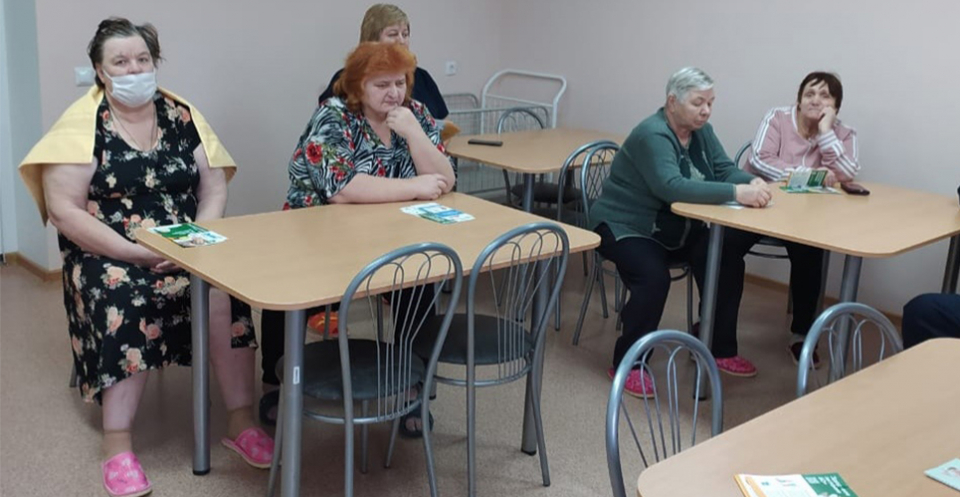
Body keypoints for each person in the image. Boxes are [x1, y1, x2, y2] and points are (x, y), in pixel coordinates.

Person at [18, 18, 272, 497]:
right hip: (108, 251)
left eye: (142, 59)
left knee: (224, 292)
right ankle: (117, 445)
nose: (134, 69)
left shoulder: (180, 116)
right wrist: (135, 252)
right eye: (121, 62)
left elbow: (213, 187)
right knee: (127, 300)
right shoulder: (82, 127)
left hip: (184, 245)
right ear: (100, 71)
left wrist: (197, 241)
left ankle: (242, 420)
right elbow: (65, 210)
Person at [258, 41, 456, 435]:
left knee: (421, 278)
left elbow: (446, 180)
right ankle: (275, 384)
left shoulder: (414, 114)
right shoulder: (333, 116)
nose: (394, 93)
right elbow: (342, 188)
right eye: (381, 84)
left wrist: (415, 134)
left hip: (387, 233)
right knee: (287, 291)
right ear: (357, 86)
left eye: (399, 83)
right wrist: (415, 187)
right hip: (317, 234)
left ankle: (412, 382)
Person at [588, 67, 772, 397]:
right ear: (672, 102)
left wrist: (751, 181)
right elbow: (671, 186)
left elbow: (723, 169)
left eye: (710, 103)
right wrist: (736, 193)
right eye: (698, 103)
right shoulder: (652, 134)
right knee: (653, 278)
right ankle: (629, 362)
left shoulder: (702, 131)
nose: (706, 111)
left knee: (725, 258)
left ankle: (718, 345)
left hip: (676, 228)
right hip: (626, 225)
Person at [732, 71, 861, 366]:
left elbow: (847, 173)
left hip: (805, 219)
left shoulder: (844, 133)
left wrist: (826, 132)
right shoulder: (777, 118)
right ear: (799, 100)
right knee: (724, 243)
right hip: (761, 205)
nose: (815, 100)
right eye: (809, 94)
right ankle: (714, 326)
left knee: (811, 252)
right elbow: (760, 159)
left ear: (836, 106)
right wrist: (811, 176)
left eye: (825, 96)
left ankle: (802, 336)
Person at [316, 3, 448, 121]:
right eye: (393, 34)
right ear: (372, 40)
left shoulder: (422, 77)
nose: (401, 41)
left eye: (405, 34)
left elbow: (443, 126)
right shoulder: (348, 78)